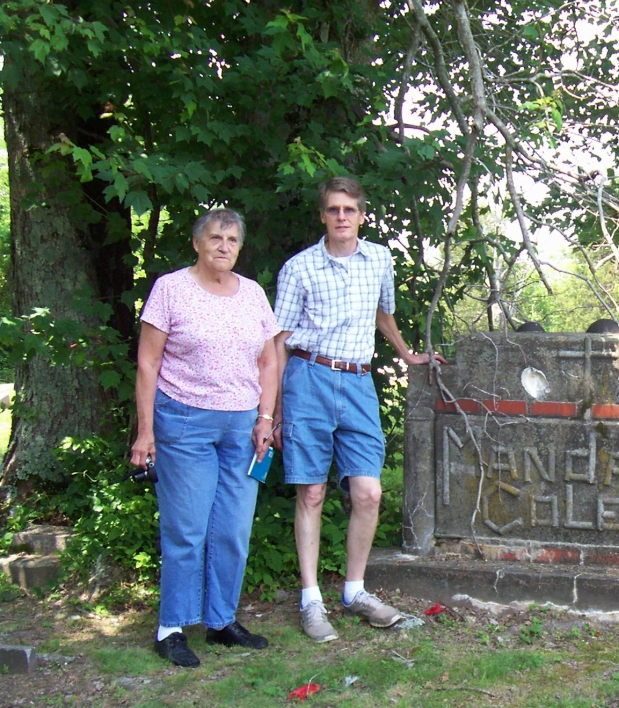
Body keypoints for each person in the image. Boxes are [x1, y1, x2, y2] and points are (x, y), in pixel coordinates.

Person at [273, 176, 439, 643]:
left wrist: (406, 354)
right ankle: (311, 601)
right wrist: (275, 410)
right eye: (333, 210)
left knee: (368, 493)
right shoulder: (299, 268)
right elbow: (279, 341)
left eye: (349, 209)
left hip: (360, 381)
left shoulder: (379, 259)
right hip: (308, 379)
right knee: (311, 494)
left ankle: (355, 592)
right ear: (322, 216)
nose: (341, 216)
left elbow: (382, 314)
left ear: (361, 215)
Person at [131, 208, 279, 668]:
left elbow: (269, 362)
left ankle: (221, 621)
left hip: (241, 427)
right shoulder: (170, 289)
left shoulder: (252, 294)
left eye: (232, 240)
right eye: (215, 237)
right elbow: (148, 364)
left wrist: (265, 417)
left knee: (232, 530)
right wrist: (145, 432)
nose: (224, 246)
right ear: (197, 243)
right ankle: (171, 627)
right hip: (184, 424)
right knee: (187, 529)